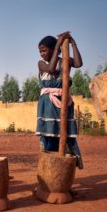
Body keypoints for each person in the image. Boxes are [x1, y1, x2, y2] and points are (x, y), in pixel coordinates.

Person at [36, 32, 83, 169]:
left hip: (64, 103)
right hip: (48, 105)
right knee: (49, 137)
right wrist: (58, 45)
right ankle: (48, 177)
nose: (42, 54)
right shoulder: (41, 64)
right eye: (40, 51)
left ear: (52, 49)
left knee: (66, 138)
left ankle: (64, 181)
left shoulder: (65, 61)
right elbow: (51, 69)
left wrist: (72, 43)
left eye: (44, 50)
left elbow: (79, 64)